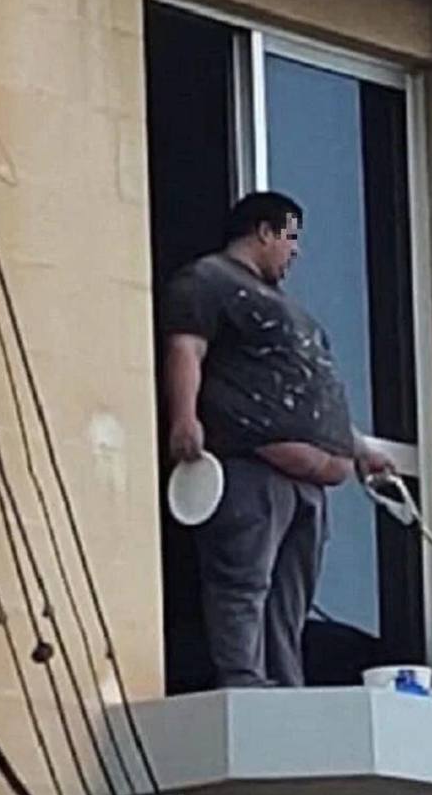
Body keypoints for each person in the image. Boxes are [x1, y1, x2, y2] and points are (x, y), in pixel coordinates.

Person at [162, 191, 391, 688]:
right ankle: (244, 677)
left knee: (290, 599)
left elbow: (318, 395)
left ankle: (286, 685)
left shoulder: (292, 312)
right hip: (253, 465)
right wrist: (184, 418)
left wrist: (359, 449)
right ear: (263, 232)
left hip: (312, 485)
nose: (297, 251)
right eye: (291, 237)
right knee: (244, 580)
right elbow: (187, 348)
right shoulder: (209, 281)